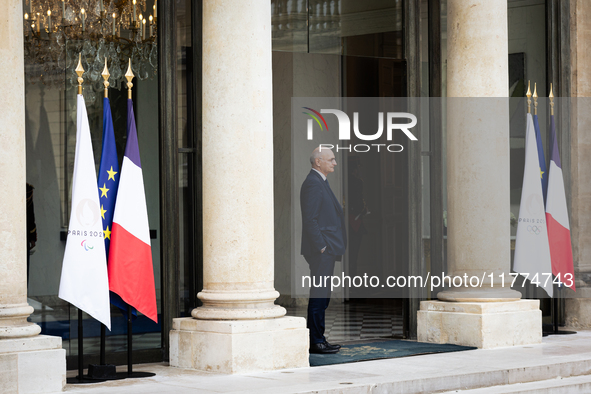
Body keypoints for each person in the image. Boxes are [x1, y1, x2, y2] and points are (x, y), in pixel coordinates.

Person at [300, 147, 347, 354]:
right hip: (322, 250)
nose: (335, 163)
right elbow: (310, 219)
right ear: (318, 162)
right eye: (331, 159)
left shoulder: (321, 182)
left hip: (327, 248)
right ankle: (316, 341)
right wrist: (321, 246)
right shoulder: (313, 183)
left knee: (323, 294)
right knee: (319, 295)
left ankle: (320, 338)